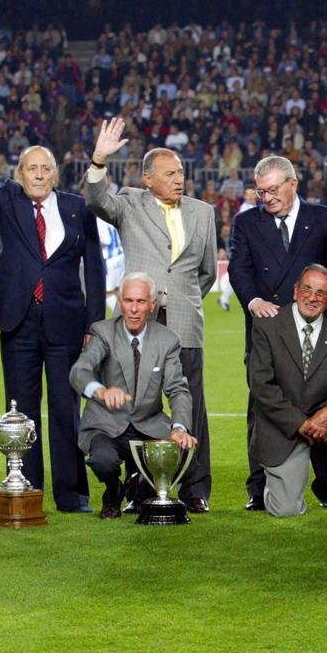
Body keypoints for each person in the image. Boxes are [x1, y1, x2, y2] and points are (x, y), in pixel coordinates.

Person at [0, 90, 106, 514]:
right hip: (18, 319)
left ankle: (72, 495)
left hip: (66, 322)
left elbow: (95, 268)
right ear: (19, 174)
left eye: (45, 169)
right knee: (21, 407)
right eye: (31, 168)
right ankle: (27, 488)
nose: (38, 174)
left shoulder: (77, 208)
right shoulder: (6, 200)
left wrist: (94, 323)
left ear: (55, 175)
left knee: (66, 408)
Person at [85, 118, 217, 512]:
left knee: (190, 404)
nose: (180, 179)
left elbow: (206, 272)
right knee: (134, 407)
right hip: (135, 323)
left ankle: (195, 490)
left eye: (181, 172)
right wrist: (99, 160)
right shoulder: (128, 203)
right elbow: (96, 200)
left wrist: (183, 298)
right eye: (170, 173)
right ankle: (137, 484)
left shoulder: (203, 213)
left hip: (183, 322)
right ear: (148, 179)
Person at [229, 155, 327, 511]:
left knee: (322, 399)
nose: (265, 197)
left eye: (271, 190)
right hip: (268, 331)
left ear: (293, 184)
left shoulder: (325, 219)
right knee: (262, 404)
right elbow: (239, 268)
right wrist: (253, 301)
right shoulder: (246, 223)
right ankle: (259, 484)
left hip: (317, 329)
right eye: (259, 191)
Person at [69, 272, 197, 519]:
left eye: (140, 302)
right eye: (128, 301)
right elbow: (79, 371)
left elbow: (178, 389)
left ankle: (137, 487)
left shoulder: (168, 340)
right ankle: (114, 491)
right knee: (103, 462)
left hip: (148, 425)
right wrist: (101, 390)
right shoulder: (103, 332)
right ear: (120, 303)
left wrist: (180, 428)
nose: (134, 309)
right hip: (106, 426)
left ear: (152, 305)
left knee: (187, 457)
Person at [248, 265, 327, 519]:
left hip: (324, 422)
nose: (312, 298)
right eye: (307, 289)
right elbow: (261, 386)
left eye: (321, 293)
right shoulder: (267, 326)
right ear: (295, 291)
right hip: (283, 426)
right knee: (285, 510)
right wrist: (301, 423)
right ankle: (276, 484)